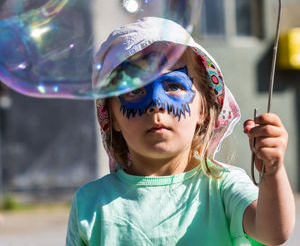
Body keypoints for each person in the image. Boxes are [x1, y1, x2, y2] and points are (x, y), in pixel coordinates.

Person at [66, 17, 295, 246]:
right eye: (134, 90)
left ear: (203, 110)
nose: (156, 103)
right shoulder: (90, 204)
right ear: (111, 116)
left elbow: (273, 232)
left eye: (174, 86)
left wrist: (273, 171)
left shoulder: (223, 187)